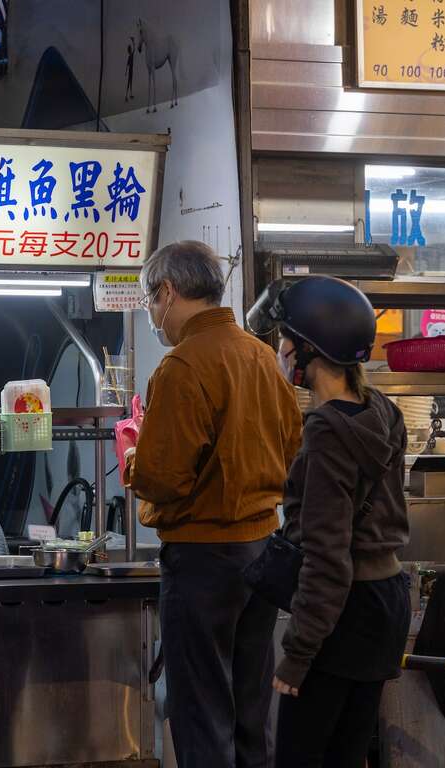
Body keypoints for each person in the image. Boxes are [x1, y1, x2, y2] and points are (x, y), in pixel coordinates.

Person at [124, 240, 303, 768]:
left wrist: (133, 456)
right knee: (251, 712)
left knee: (202, 713)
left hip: (203, 560)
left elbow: (161, 478)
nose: (153, 314)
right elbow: (293, 447)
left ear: (168, 292)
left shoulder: (181, 365)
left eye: (151, 301)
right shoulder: (262, 356)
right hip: (263, 552)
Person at [246, 277, 411, 768]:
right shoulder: (383, 412)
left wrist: (298, 654)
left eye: (284, 339)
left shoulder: (325, 434)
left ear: (307, 350)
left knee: (298, 758)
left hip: (342, 615)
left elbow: (327, 557)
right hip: (386, 603)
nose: (279, 349)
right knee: (347, 755)